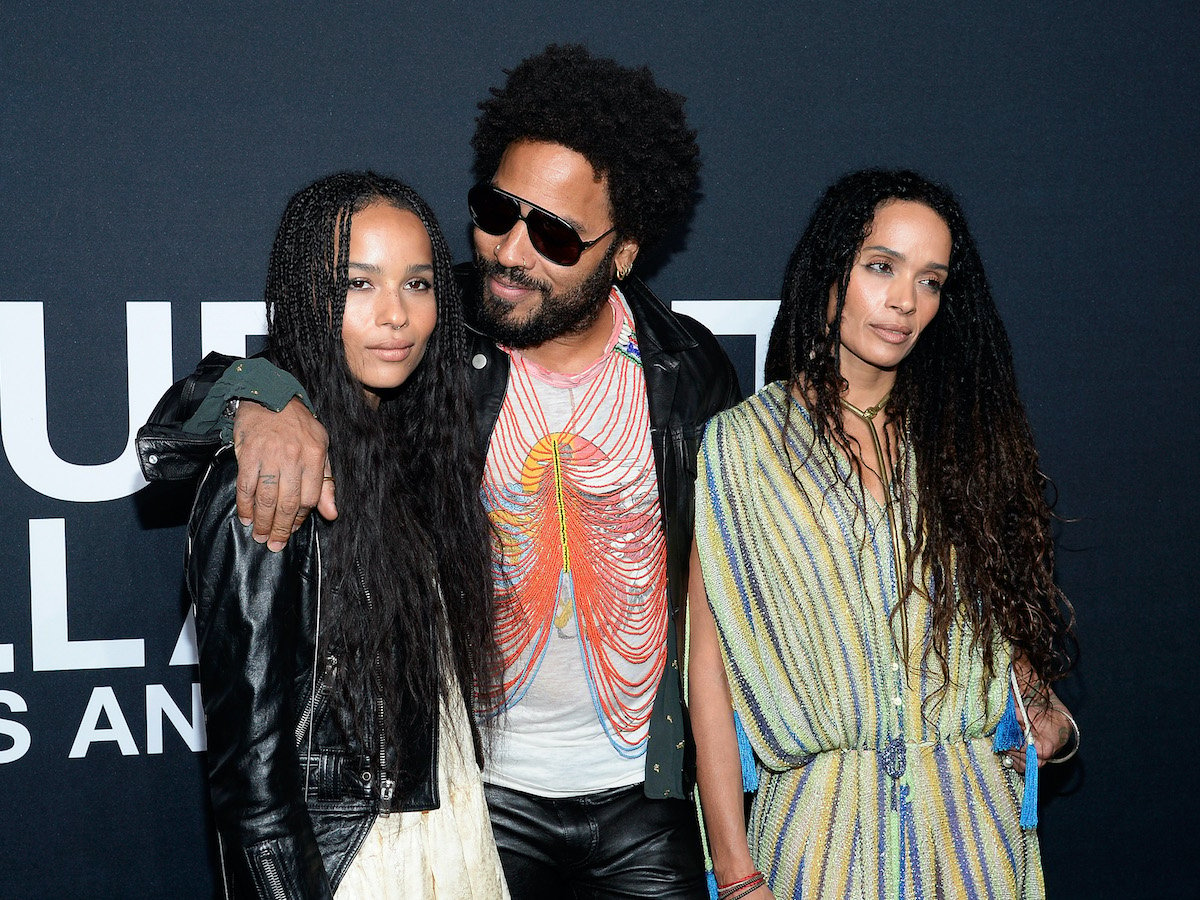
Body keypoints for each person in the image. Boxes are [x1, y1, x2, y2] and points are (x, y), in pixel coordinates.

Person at [139, 46, 740, 897]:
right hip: (478, 789)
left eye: (556, 233)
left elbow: (723, 591)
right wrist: (256, 397)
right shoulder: (432, 327)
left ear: (625, 252)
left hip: (643, 793)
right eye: (497, 211)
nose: (510, 250)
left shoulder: (690, 371)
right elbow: (224, 397)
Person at [687, 170, 1078, 899]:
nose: (905, 301)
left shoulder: (968, 438)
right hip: (818, 835)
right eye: (881, 267)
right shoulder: (740, 448)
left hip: (972, 835)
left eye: (930, 281)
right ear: (833, 268)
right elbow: (708, 678)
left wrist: (1043, 714)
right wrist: (735, 872)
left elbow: (1008, 617)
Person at [183, 172, 508, 898]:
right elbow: (253, 780)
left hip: (447, 832)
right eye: (359, 285)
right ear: (309, 295)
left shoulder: (418, 441)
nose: (396, 315)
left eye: (418, 285)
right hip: (349, 858)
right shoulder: (276, 471)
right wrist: (252, 396)